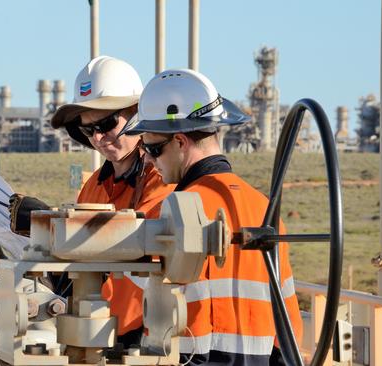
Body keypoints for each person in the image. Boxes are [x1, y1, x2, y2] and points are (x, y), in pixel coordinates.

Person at [122, 68, 302, 365]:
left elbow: (124, 316)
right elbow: (288, 333)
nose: (151, 162)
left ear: (180, 141)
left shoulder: (169, 213)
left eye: (152, 148)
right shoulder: (267, 211)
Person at [17, 56, 174, 343]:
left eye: (107, 123)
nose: (99, 138)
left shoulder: (161, 179)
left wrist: (52, 225)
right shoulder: (93, 186)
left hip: (146, 338)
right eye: (89, 130)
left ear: (137, 114)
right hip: (93, 333)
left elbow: (140, 238)